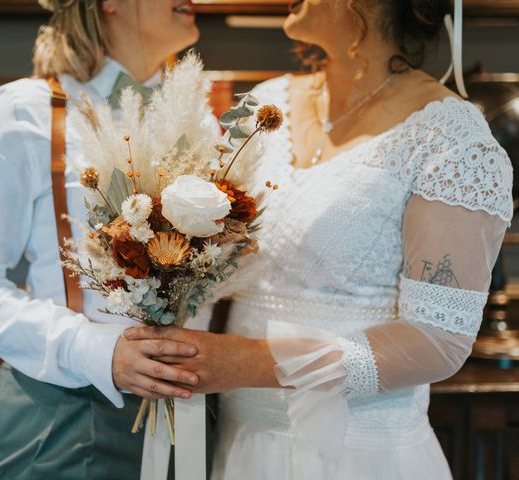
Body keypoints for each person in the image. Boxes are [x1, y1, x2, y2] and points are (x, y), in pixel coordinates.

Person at [124, 0, 514, 478]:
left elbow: (438, 341)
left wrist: (245, 362)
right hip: (240, 443)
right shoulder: (262, 108)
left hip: (357, 454)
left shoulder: (451, 138)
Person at [0, 1, 201, 478]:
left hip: (189, 414)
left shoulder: (201, 121)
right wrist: (93, 350)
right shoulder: (27, 109)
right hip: (66, 416)